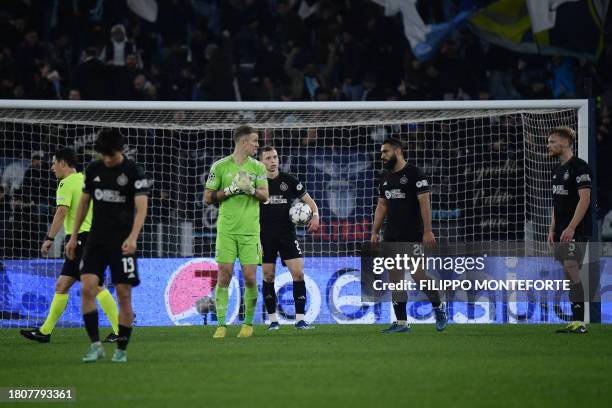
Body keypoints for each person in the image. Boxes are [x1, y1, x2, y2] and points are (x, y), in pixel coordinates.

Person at [20, 148, 119, 343]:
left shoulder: (65, 183)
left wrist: (49, 238)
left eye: (54, 163)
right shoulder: (85, 179)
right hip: (91, 237)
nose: (51, 168)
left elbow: (62, 212)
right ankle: (45, 331)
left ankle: (120, 328)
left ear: (63, 164)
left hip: (82, 239)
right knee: (62, 285)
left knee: (95, 285)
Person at [66, 130, 149, 362]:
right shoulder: (94, 169)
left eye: (111, 156)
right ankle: (95, 345)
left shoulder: (133, 171)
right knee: (87, 288)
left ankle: (121, 349)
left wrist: (133, 237)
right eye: (104, 156)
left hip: (122, 242)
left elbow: (142, 207)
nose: (108, 160)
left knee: (124, 294)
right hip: (96, 241)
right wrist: (73, 237)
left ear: (120, 151)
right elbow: (83, 204)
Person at [371, 138, 447, 333]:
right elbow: (382, 206)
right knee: (395, 277)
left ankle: (439, 307)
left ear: (397, 151)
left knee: (418, 276)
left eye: (385, 152)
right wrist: (375, 232)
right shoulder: (385, 177)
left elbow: (424, 204)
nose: (382, 156)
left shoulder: (415, 174)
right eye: (381, 152)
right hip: (391, 236)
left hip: (412, 234)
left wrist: (428, 230)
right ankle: (402, 322)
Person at [204, 125, 269, 338]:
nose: (257, 145)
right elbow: (208, 198)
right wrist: (231, 190)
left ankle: (248, 324)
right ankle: (221, 325)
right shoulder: (220, 166)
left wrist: (250, 189)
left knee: (250, 277)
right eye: (255, 141)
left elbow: (265, 196)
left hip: (250, 230)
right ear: (243, 142)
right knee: (224, 275)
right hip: (227, 230)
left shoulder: (258, 167)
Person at [258, 146, 319, 330]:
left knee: (298, 273)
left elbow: (310, 202)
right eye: (268, 158)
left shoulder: (289, 180)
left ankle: (300, 320)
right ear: (261, 162)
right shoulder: (257, 184)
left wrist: (315, 215)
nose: (272, 161)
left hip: (287, 234)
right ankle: (273, 320)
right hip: (264, 236)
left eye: (275, 157)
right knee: (268, 276)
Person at [547, 127, 593, 334]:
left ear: (564, 143)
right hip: (562, 231)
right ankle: (576, 321)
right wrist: (552, 229)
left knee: (572, 269)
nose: (548, 145)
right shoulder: (557, 170)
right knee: (568, 273)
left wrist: (572, 227)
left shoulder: (579, 167)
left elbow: (585, 199)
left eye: (552, 142)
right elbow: (557, 203)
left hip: (576, 230)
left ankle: (580, 322)